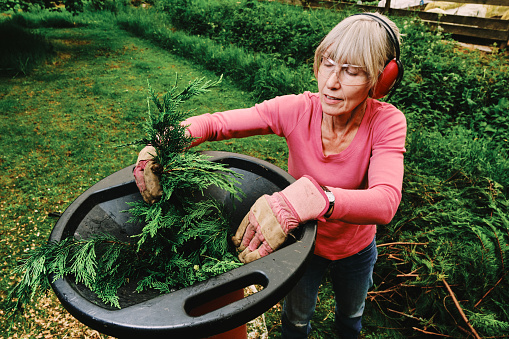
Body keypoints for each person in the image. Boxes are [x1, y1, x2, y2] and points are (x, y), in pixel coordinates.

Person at [134, 12, 407, 339]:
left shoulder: (386, 122)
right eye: (328, 63)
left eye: (352, 71)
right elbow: (216, 123)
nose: (331, 82)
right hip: (304, 246)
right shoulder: (298, 110)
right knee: (295, 322)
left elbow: (385, 202)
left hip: (357, 250)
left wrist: (314, 197)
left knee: (351, 318)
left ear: (381, 79)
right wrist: (160, 144)